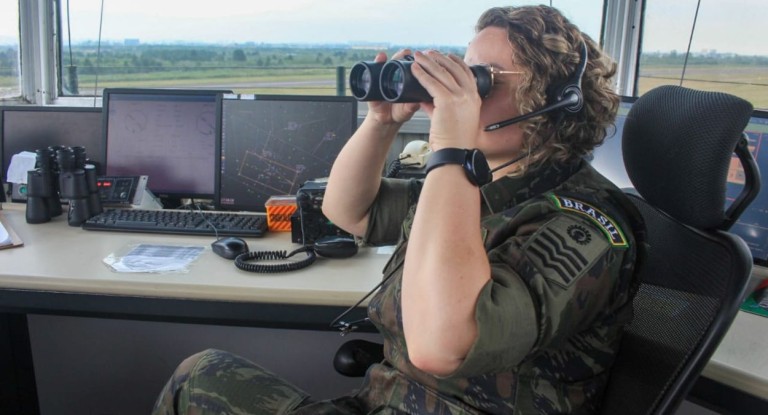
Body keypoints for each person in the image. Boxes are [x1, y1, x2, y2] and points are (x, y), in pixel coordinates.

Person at [152, 5, 642, 414]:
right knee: (201, 375)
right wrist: (381, 121)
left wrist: (449, 142)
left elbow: (441, 346)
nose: (459, 91)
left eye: (481, 80)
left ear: (556, 102)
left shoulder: (584, 226)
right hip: (390, 403)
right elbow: (348, 212)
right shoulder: (481, 183)